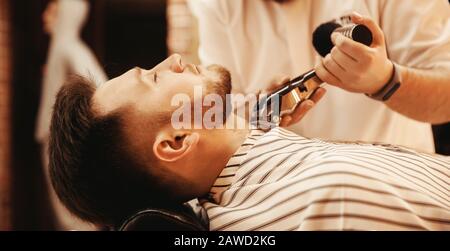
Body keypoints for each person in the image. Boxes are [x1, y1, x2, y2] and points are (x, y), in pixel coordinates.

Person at [48, 54, 449, 230]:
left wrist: (249, 117)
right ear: (177, 141)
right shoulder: (327, 195)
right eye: (154, 78)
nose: (173, 61)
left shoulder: (230, 187)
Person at [187, 0, 450, 153]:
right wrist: (256, 116)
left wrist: (385, 81)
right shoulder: (214, 4)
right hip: (277, 206)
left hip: (394, 196)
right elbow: (223, 117)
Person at [36, 0, 107, 230]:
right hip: (53, 138)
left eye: (52, 9)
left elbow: (99, 87)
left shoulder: (69, 48)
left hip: (63, 141)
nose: (45, 16)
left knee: (72, 214)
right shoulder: (60, 49)